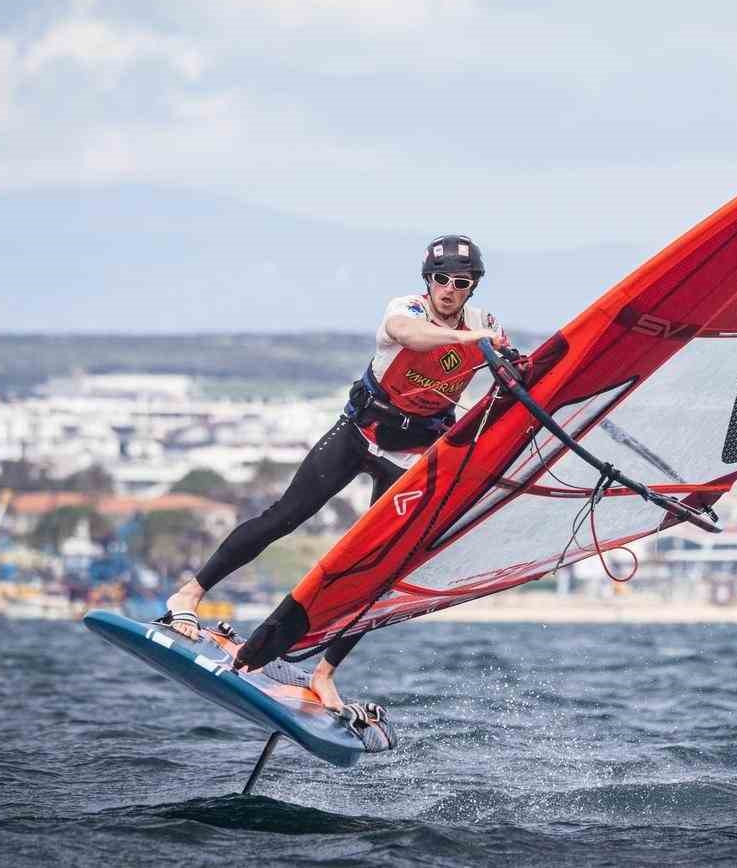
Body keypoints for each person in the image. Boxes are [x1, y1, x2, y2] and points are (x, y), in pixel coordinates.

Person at [161, 234, 506, 709]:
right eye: (440, 279)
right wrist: (472, 340)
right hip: (360, 432)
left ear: (473, 287)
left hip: (411, 454)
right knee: (284, 516)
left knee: (379, 563)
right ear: (427, 281)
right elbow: (409, 336)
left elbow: (509, 375)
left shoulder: (485, 325)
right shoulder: (408, 309)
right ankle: (188, 595)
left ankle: (323, 673)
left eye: (460, 282)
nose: (448, 289)